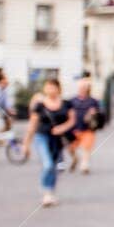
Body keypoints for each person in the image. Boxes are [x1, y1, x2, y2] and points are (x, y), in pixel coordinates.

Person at [21, 78, 73, 207]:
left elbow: (72, 121)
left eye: (52, 87)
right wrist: (26, 144)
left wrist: (62, 128)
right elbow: (32, 125)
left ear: (58, 88)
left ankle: (50, 193)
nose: (50, 90)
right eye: (47, 87)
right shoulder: (39, 105)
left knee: (55, 167)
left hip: (58, 139)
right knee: (48, 165)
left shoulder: (66, 104)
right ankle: (46, 193)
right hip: (42, 137)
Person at [65, 76, 105, 174]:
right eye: (81, 87)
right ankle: (75, 158)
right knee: (71, 148)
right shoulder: (71, 101)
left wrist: (93, 113)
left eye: (85, 87)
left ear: (88, 88)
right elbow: (66, 114)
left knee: (86, 148)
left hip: (88, 129)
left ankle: (84, 165)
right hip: (74, 129)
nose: (82, 89)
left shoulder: (93, 101)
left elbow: (100, 114)